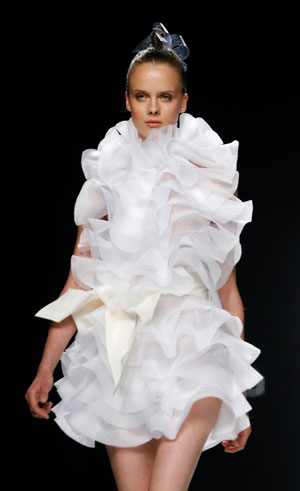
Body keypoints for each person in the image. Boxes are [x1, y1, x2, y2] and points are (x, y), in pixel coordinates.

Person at [25, 23, 264, 491]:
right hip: (121, 361)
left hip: (194, 358)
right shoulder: (105, 182)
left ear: (184, 102)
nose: (153, 109)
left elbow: (228, 296)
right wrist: (44, 369)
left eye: (166, 97)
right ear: (128, 101)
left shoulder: (210, 181)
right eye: (141, 96)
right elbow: (79, 285)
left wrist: (239, 396)